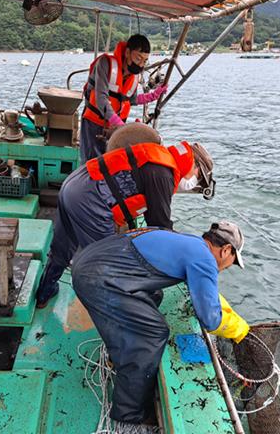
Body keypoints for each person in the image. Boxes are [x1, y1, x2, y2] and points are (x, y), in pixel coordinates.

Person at [71, 221, 250, 431]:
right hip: (98, 278)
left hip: (88, 260)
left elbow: (205, 293)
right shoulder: (205, 260)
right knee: (150, 335)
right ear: (226, 250)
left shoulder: (191, 243)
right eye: (232, 261)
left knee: (155, 294)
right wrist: (241, 329)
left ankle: (118, 357)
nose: (228, 266)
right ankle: (127, 418)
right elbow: (210, 319)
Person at [35, 123, 214, 308]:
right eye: (198, 177)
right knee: (109, 264)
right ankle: (119, 316)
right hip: (90, 201)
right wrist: (185, 256)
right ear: (194, 165)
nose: (194, 182)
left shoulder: (158, 156)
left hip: (75, 183)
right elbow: (160, 227)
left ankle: (44, 292)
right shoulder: (163, 173)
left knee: (63, 247)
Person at [81, 34, 167, 162]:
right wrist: (121, 125)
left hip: (114, 128)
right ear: (127, 52)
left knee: (110, 164)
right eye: (138, 58)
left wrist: (153, 96)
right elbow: (101, 99)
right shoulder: (105, 64)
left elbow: (132, 99)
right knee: (90, 163)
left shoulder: (134, 76)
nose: (141, 65)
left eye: (144, 61)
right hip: (94, 124)